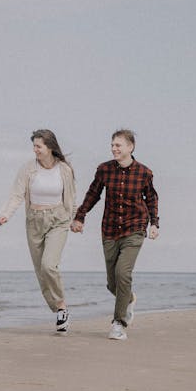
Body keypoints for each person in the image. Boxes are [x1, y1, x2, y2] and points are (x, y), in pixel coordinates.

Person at [71, 129, 159, 340]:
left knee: (122, 273)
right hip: (110, 229)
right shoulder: (104, 170)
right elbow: (93, 194)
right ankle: (128, 299)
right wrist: (79, 216)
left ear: (130, 147)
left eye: (118, 145)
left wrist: (154, 224)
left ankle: (118, 323)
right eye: (112, 145)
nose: (114, 148)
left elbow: (152, 199)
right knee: (112, 283)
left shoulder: (144, 173)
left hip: (134, 229)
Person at [0, 129, 76, 334]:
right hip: (34, 221)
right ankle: (60, 308)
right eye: (34, 146)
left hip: (58, 220)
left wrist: (76, 219)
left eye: (38, 146)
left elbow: (71, 197)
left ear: (50, 147)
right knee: (41, 272)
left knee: (49, 265)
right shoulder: (27, 169)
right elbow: (17, 194)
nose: (35, 150)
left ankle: (61, 307)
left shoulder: (64, 170)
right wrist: (6, 213)